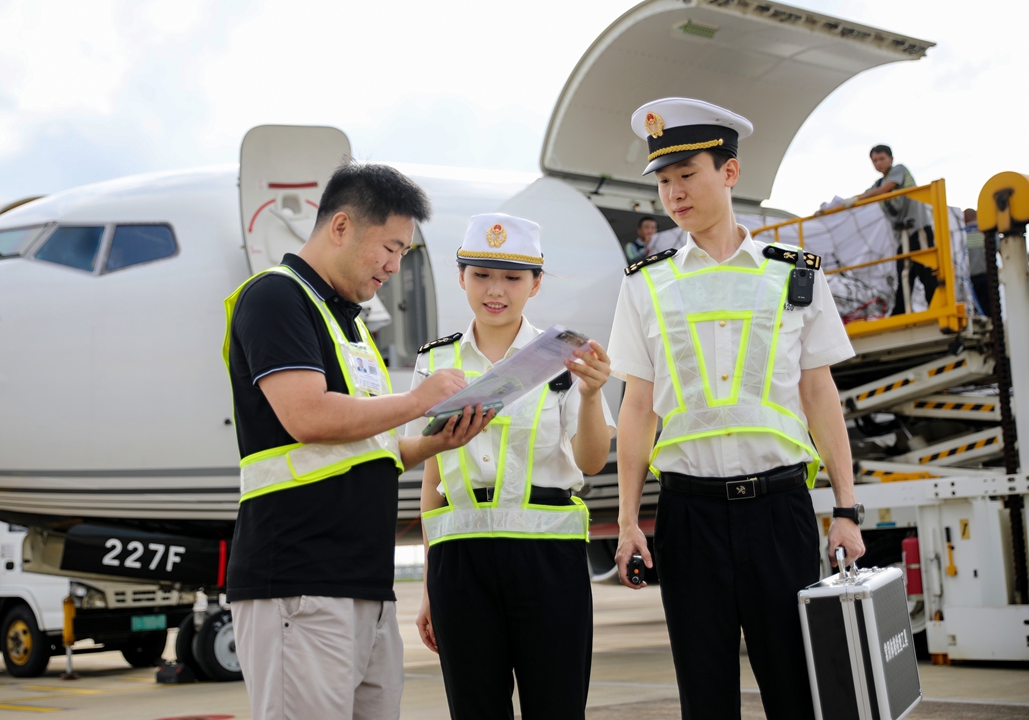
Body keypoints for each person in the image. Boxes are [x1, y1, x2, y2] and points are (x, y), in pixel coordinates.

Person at [608, 98, 866, 720]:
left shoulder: (793, 276)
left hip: (781, 510)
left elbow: (818, 393)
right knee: (705, 694)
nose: (674, 194)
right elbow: (637, 407)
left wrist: (848, 509)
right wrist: (626, 520)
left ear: (729, 172)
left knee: (794, 690)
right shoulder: (644, 283)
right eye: (664, 182)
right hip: (689, 515)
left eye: (687, 175)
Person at [222, 162, 494, 720]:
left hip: (363, 583)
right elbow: (307, 416)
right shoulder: (276, 298)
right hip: (298, 579)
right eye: (390, 248)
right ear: (341, 227)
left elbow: (374, 449)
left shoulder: (350, 323)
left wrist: (437, 442)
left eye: (403, 254)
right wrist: (421, 401)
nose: (394, 267)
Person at [410, 213, 616, 720]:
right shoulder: (436, 363)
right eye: (481, 275)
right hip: (461, 567)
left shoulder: (562, 361)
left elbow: (590, 462)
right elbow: (433, 480)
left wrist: (592, 395)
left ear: (536, 283)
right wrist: (430, 585)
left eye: (511, 277)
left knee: (557, 708)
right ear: (461, 278)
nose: (494, 290)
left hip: (547, 562)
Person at [844, 145, 937, 315]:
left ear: (891, 159)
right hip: (903, 236)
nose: (878, 163)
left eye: (881, 159)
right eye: (875, 160)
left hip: (917, 229)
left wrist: (856, 199)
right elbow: (869, 195)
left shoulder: (898, 171)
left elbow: (883, 190)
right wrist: (840, 205)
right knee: (904, 272)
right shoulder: (878, 184)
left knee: (926, 270)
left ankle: (936, 306)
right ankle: (901, 310)